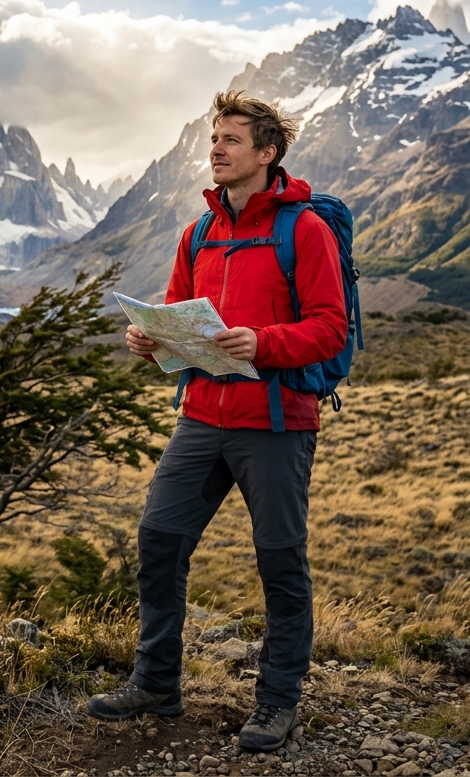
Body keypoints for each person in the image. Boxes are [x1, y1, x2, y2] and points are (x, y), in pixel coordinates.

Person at [87, 91, 348, 752]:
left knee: (279, 562)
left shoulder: (304, 231)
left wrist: (262, 343)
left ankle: (277, 702)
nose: (216, 150)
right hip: (201, 415)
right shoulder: (197, 233)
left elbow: (329, 329)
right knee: (160, 540)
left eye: (232, 140)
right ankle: (156, 683)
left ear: (267, 153)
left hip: (277, 422)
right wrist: (151, 341)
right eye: (214, 140)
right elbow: (176, 314)